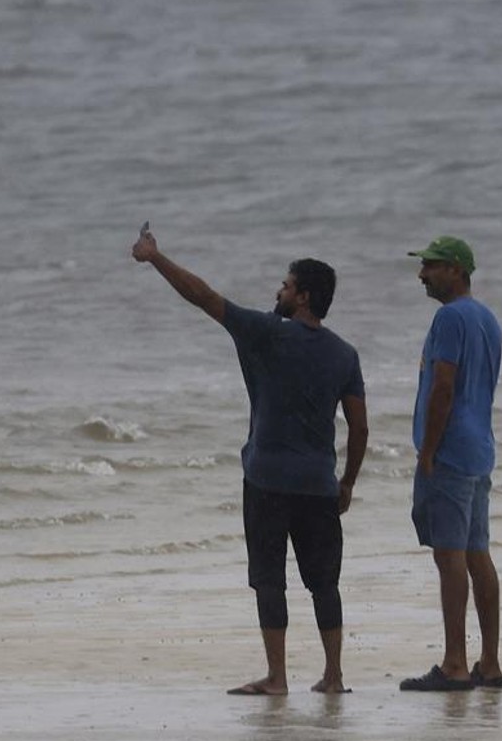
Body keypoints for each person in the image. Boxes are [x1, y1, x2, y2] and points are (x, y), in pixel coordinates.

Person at [132, 223, 368, 695]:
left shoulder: (264, 333)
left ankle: (278, 678)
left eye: (285, 284)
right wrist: (347, 483)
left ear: (301, 297)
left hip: (267, 481)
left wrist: (155, 258)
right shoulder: (344, 354)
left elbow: (201, 295)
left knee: (269, 581)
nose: (277, 290)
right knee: (324, 582)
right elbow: (360, 427)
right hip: (320, 485)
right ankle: (334, 675)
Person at [399, 235, 502, 692]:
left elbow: (444, 386)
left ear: (459, 271)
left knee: (449, 557)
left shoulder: (449, 318)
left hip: (449, 451)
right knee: (477, 553)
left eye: (432, 266)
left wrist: (427, 450)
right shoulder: (488, 319)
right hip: (479, 448)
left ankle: (455, 663)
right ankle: (490, 662)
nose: (422, 274)